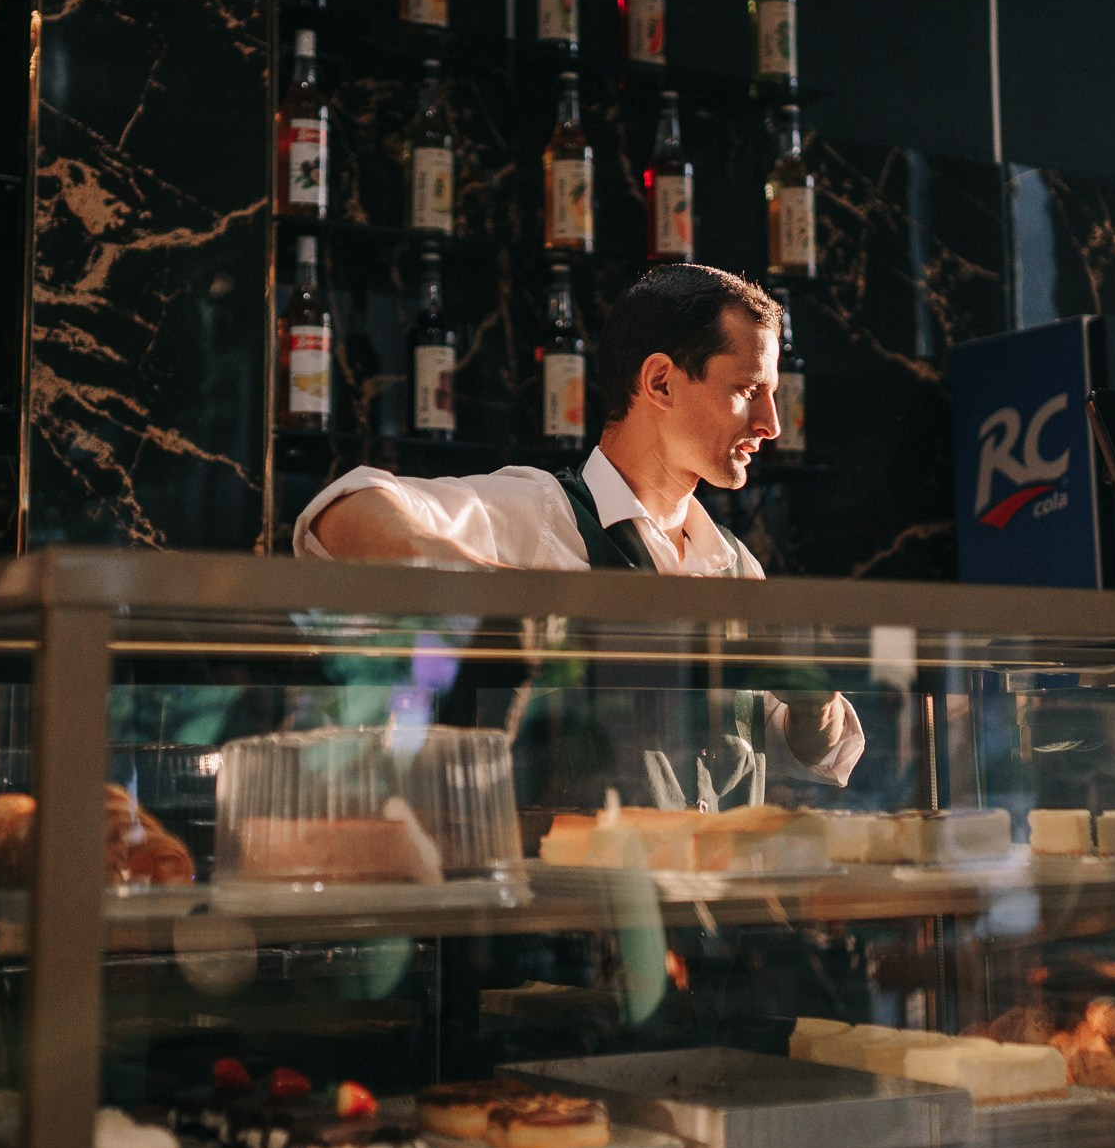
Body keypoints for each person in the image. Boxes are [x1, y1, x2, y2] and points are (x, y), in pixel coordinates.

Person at [294, 263, 863, 787]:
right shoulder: (540, 514)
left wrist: (819, 704)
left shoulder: (738, 568)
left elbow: (807, 754)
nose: (771, 424)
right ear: (660, 382)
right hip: (565, 894)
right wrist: (503, 593)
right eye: (747, 390)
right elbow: (344, 512)